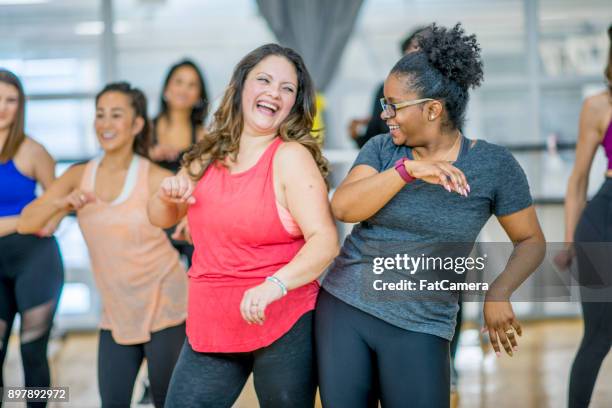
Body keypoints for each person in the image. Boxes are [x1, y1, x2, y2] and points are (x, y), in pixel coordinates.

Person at [317, 23, 546, 408]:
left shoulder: (492, 165)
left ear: (433, 109)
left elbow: (531, 241)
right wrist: (407, 171)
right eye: (384, 104)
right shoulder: (382, 150)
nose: (385, 113)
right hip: (346, 308)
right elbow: (343, 206)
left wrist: (499, 291)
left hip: (423, 324)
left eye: (394, 105)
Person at [148, 43, 339, 408]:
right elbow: (161, 218)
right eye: (264, 80)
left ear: (295, 103)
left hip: (282, 319)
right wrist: (165, 194)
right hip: (212, 322)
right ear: (240, 87)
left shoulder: (291, 157)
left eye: (287, 88)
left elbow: (325, 240)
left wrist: (275, 285)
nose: (274, 93)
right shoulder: (208, 155)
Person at [18, 82, 188, 408]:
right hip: (116, 314)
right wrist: (62, 202)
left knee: (169, 402)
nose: (105, 124)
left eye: (116, 115)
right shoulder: (79, 175)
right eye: (100, 115)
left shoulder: (152, 176)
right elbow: (27, 222)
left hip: (166, 305)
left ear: (137, 124)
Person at [556, 23, 612, 408]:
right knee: (599, 335)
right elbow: (577, 181)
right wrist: (571, 241)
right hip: (603, 223)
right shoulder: (598, 106)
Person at [0, 69, 64, 407]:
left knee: (33, 352)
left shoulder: (33, 150)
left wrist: (47, 218)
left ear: (20, 105)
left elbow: (58, 205)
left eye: (10, 100)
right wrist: (25, 220)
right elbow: (34, 216)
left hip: (36, 260)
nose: (3, 108)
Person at [150, 59, 208, 268]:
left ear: (199, 96)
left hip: (190, 219)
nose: (184, 89)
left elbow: (209, 182)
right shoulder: (145, 131)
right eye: (179, 82)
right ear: (167, 88)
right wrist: (148, 154)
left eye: (192, 85)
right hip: (152, 220)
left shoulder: (204, 135)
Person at [348, 26, 429, 148]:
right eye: (409, 55)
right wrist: (356, 135)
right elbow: (373, 136)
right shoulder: (385, 89)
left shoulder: (446, 91)